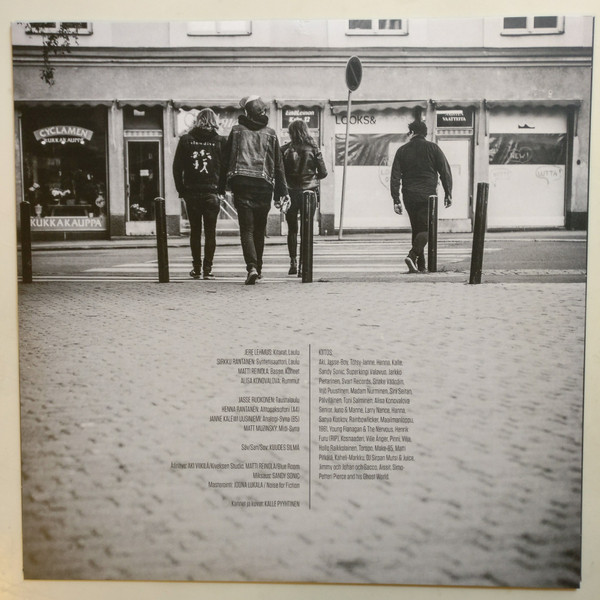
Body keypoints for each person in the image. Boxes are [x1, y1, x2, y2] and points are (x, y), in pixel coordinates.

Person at [220, 96, 289, 285]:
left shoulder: (236, 131)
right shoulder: (271, 134)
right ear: (261, 112)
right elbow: (278, 166)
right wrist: (281, 193)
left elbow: (225, 160)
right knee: (259, 230)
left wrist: (221, 187)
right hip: (264, 185)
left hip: (241, 184)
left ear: (246, 113)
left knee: (247, 229)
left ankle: (251, 267)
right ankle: (258, 268)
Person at [390, 119, 453, 273]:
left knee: (417, 229)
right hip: (428, 196)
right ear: (425, 133)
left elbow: (395, 176)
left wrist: (396, 199)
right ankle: (412, 256)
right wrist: (448, 192)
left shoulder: (402, 150)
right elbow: (444, 171)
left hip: (409, 195)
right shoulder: (433, 148)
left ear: (412, 132)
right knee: (428, 229)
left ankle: (420, 266)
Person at [173, 108, 225, 279]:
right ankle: (207, 269)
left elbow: (177, 167)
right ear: (214, 121)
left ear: (198, 120)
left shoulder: (186, 140)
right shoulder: (220, 141)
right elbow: (225, 168)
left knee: (195, 231)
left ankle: (196, 268)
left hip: (192, 192)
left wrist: (181, 190)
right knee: (210, 232)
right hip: (212, 192)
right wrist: (221, 190)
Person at [281, 120, 328, 275]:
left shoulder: (284, 150)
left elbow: (280, 173)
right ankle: (303, 265)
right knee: (306, 230)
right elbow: (323, 172)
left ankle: (293, 262)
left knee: (292, 229)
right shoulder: (313, 148)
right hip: (309, 193)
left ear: (291, 133)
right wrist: (312, 177)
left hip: (291, 193)